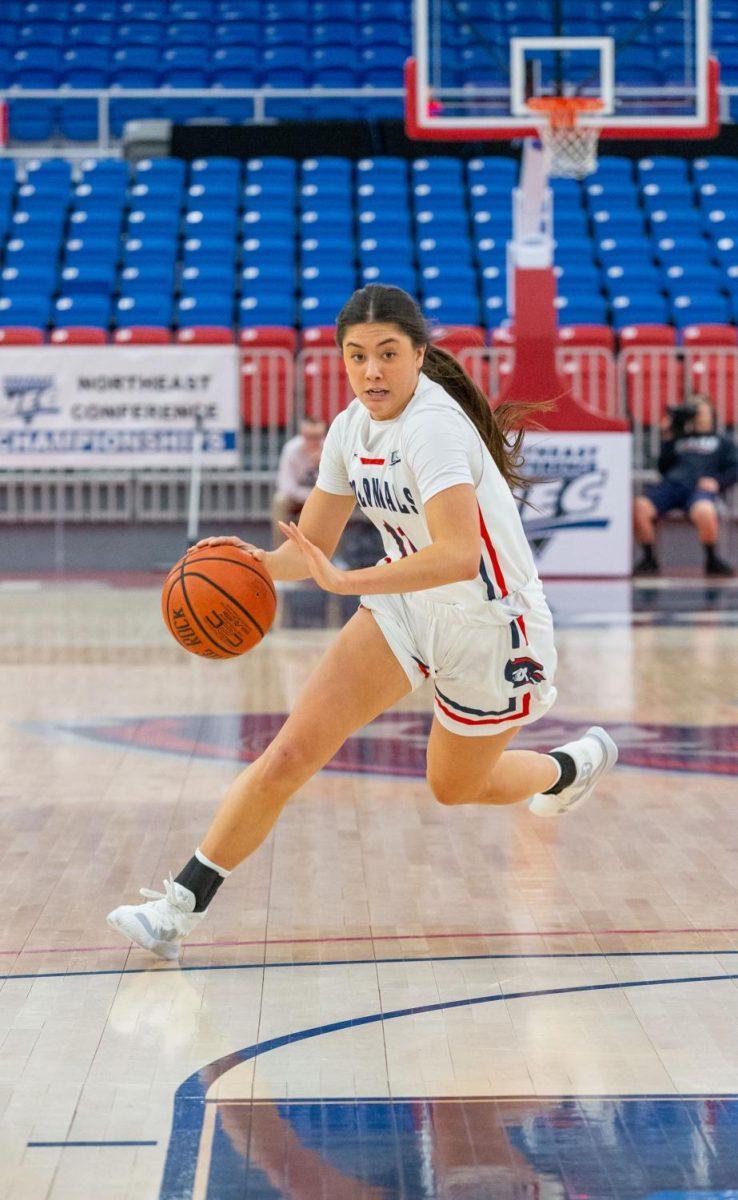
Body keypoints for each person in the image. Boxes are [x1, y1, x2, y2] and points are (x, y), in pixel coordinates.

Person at [107, 285, 618, 961]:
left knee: (453, 787)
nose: (372, 370)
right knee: (289, 753)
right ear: (341, 361)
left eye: (387, 354)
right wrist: (242, 563)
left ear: (418, 356)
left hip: (490, 626)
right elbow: (306, 549)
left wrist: (349, 582)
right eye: (356, 356)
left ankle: (565, 768)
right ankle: (176, 911)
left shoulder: (433, 428)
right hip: (404, 606)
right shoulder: (351, 428)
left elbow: (460, 556)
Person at [633, 394, 737, 577]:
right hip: (672, 486)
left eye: (701, 411)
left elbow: (735, 468)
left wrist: (718, 482)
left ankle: (712, 559)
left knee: (705, 510)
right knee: (640, 506)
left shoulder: (722, 442)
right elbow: (662, 468)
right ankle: (649, 558)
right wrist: (668, 437)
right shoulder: (678, 439)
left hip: (698, 489)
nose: (698, 416)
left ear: (710, 414)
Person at [271, 415, 326, 547]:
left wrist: (320, 465)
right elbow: (285, 485)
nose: (313, 442)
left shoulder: (329, 449)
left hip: (322, 499)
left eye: (317, 437)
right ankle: (279, 550)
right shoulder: (291, 450)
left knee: (336, 507)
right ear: (302, 435)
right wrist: (309, 497)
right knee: (280, 500)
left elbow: (335, 484)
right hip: (298, 497)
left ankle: (332, 555)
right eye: (309, 437)